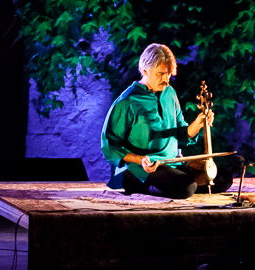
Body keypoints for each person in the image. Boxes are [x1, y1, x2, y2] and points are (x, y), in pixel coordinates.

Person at [100, 43, 241, 198]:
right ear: (145, 70)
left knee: (222, 179)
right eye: (161, 74)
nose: (166, 79)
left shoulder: (169, 93)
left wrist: (198, 124)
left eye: (168, 74)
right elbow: (111, 146)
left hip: (172, 163)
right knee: (186, 186)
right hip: (139, 167)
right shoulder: (127, 102)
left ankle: (177, 185)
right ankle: (137, 185)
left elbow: (180, 132)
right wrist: (141, 160)